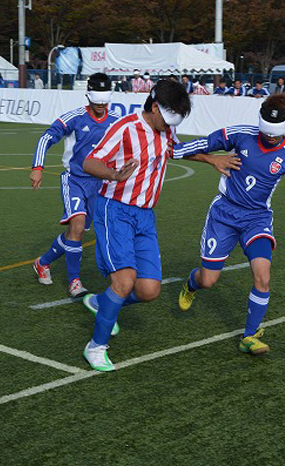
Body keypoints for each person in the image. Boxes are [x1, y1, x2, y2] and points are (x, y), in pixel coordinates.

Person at [80, 79, 239, 371]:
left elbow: (175, 150)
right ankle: (96, 346)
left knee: (148, 290)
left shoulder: (166, 130)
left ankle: (102, 303)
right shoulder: (125, 128)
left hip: (145, 216)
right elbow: (89, 162)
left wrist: (210, 159)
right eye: (166, 121)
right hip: (114, 210)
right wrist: (113, 175)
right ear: (154, 107)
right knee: (124, 281)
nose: (168, 127)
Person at [173, 93, 285, 356]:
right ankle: (192, 283)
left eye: (275, 133)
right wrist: (177, 150)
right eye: (266, 130)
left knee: (263, 277)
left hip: (257, 220)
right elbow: (205, 143)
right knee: (208, 280)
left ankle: (250, 335)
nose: (269, 136)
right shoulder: (240, 134)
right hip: (224, 214)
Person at [30, 73, 121, 298]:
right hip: (74, 180)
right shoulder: (74, 118)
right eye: (97, 100)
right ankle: (75, 282)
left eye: (104, 101)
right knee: (77, 227)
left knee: (75, 232)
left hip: (100, 184)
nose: (101, 105)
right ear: (88, 96)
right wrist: (38, 167)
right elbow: (46, 138)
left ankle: (42, 262)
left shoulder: (117, 121)